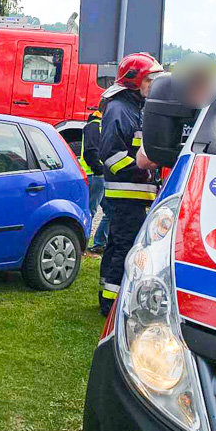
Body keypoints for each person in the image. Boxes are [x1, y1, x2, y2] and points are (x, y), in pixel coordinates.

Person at [97, 52, 163, 316]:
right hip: (128, 193)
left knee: (115, 243)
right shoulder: (120, 109)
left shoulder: (132, 106)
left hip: (133, 193)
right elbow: (110, 155)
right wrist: (142, 170)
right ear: (135, 80)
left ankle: (106, 295)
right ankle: (112, 305)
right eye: (150, 79)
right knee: (125, 246)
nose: (154, 85)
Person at [78, 102, 109, 254]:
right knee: (90, 211)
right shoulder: (94, 125)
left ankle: (99, 244)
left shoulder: (100, 124)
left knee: (111, 211)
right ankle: (82, 246)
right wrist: (99, 170)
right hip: (94, 175)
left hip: (100, 176)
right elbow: (90, 151)